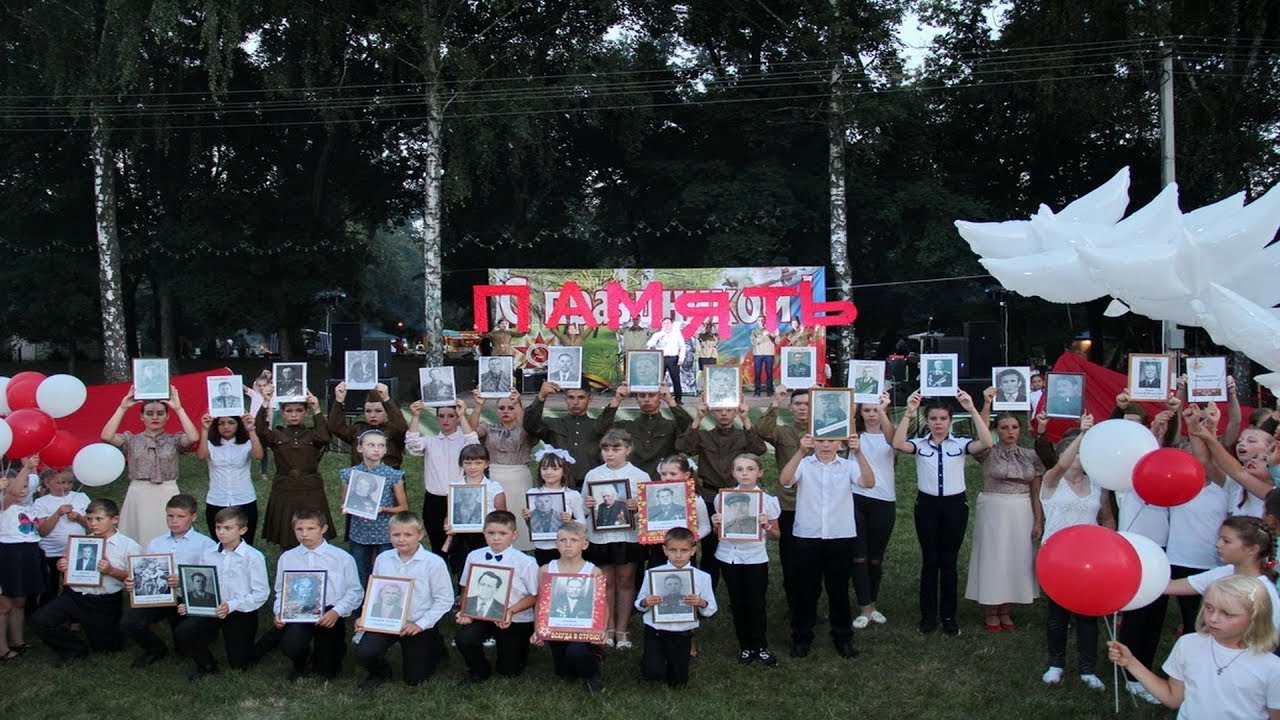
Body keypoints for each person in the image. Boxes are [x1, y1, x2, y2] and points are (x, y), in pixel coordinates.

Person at [892, 389, 993, 636]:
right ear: (927, 421)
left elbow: (987, 443)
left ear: (950, 421)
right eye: (934, 419)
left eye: (943, 419)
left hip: (954, 506)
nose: (938, 423)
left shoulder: (959, 444)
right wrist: (908, 413)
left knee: (948, 562)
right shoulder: (919, 444)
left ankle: (949, 616)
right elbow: (897, 443)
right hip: (927, 506)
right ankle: (927, 617)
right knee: (930, 562)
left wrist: (971, 409)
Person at [1108, 574, 1280, 718]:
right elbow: (1173, 698)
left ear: (1256, 618)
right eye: (1209, 608)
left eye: (1227, 614)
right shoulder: (1188, 644)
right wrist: (1130, 662)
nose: (1212, 618)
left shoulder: (1271, 667)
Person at [780, 431, 876, 659]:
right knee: (805, 590)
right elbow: (785, 481)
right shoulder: (804, 464)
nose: (825, 445)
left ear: (839, 443)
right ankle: (802, 637)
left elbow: (869, 483)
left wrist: (859, 452)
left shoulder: (847, 465)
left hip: (840, 535)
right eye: (820, 440)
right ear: (812, 441)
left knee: (839, 590)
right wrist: (800, 451)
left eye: (831, 441)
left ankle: (842, 637)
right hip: (808, 535)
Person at [1037, 414, 1114, 690]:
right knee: (1058, 616)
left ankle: (1088, 669)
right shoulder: (1051, 481)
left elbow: (1106, 518)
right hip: (1057, 559)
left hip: (1089, 560)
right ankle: (1056, 664)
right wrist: (1082, 435)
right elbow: (1060, 465)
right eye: (1079, 453)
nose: (1082, 459)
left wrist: (1110, 547)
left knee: (1087, 616)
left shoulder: (1097, 485)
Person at [965, 388, 1045, 632]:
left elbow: (1036, 491)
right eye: (1004, 427)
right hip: (994, 509)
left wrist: (1038, 520)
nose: (1010, 432)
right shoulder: (987, 451)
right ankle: (990, 608)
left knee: (1016, 558)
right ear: (996, 430)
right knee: (993, 557)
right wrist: (987, 403)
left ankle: (1006, 609)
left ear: (1020, 430)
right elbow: (980, 430)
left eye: (1014, 427)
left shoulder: (1030, 456)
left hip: (1021, 510)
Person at [31, 499, 142, 664]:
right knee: (40, 620)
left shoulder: (128, 546)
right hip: (74, 595)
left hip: (104, 601)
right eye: (89, 519)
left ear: (114, 519)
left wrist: (111, 571)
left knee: (107, 649)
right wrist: (64, 566)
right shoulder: (80, 542)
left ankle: (105, 633)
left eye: (99, 519)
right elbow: (70, 572)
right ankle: (74, 649)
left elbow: (137, 579)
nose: (92, 524)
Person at [353, 511, 452, 690]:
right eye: (396, 534)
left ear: (420, 535)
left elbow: (445, 600)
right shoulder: (383, 559)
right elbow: (375, 591)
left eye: (408, 534)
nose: (401, 539)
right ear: (389, 534)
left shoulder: (433, 563)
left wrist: (421, 624)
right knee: (364, 652)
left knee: (416, 679)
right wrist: (366, 617)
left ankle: (435, 644)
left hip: (416, 623)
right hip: (386, 620)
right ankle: (381, 672)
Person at [675, 398, 766, 588]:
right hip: (710, 495)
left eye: (729, 410)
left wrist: (746, 419)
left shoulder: (742, 435)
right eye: (718, 410)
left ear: (735, 412)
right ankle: (709, 589)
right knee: (709, 547)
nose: (724, 414)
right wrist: (698, 418)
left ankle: (739, 580)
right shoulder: (704, 436)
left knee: (738, 540)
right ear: (712, 412)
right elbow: (683, 447)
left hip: (736, 495)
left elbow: (759, 449)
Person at [264, 508, 363, 682]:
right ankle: (301, 661)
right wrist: (279, 611)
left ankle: (334, 650)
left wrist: (336, 612)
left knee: (327, 671)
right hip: (299, 608)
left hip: (330, 611)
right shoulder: (287, 558)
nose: (304, 534)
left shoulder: (342, 558)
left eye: (311, 529)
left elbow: (355, 591)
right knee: (290, 646)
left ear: (323, 529)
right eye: (299, 529)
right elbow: (281, 590)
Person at [120, 493, 218, 668]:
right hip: (159, 597)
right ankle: (155, 648)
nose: (174, 521)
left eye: (180, 516)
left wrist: (183, 581)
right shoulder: (156, 543)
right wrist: (134, 583)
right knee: (129, 622)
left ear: (193, 517)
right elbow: (144, 571)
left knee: (183, 645)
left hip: (186, 599)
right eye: (170, 516)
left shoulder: (206, 545)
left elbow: (210, 580)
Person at [172, 506, 269, 681]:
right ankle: (207, 664)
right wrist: (190, 603)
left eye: (228, 528)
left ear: (243, 530)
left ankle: (261, 645)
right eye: (218, 528)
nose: (221, 533)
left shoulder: (253, 557)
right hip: (212, 608)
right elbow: (200, 581)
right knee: (183, 632)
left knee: (240, 664)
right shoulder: (208, 553)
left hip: (240, 610)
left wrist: (231, 606)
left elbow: (261, 593)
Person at [101, 385, 200, 547]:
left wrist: (178, 408)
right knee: (137, 537)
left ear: (167, 416)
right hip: (139, 493)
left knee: (167, 533)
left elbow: (193, 437)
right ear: (142, 417)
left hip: (167, 492)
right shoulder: (131, 440)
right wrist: (122, 407)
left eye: (160, 413)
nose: (155, 417)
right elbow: (106, 436)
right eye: (149, 413)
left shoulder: (174, 440)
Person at [455, 511, 540, 685]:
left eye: (503, 533)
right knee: (464, 639)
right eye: (491, 533)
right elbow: (466, 587)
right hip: (482, 614)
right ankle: (479, 669)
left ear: (514, 535)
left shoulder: (526, 562)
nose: (496, 538)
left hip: (515, 618)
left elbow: (535, 596)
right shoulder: (474, 556)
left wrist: (510, 611)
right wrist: (465, 610)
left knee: (509, 671)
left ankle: (518, 650)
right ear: (483, 533)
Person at [712, 454, 781, 666]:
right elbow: (719, 534)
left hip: (754, 557)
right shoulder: (722, 498)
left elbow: (776, 535)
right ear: (733, 473)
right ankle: (745, 647)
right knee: (737, 602)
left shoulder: (768, 502)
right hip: (729, 556)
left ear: (760, 472)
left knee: (756, 603)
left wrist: (765, 525)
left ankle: (760, 645)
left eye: (750, 469)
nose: (745, 473)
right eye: (740, 469)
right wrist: (717, 524)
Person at [582, 429, 648, 649]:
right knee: (606, 583)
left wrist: (637, 507)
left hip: (627, 536)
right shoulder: (593, 475)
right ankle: (607, 628)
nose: (610, 454)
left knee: (626, 581)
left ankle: (623, 629)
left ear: (628, 450)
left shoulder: (640, 476)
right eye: (606, 449)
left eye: (616, 449)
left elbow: (648, 513)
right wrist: (588, 505)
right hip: (600, 537)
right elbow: (583, 507)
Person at [635, 527, 717, 687]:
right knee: (653, 673)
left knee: (678, 681)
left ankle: (670, 662)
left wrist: (701, 603)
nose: (678, 555)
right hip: (656, 630)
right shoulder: (652, 574)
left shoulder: (702, 577)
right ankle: (650, 661)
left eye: (684, 550)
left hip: (683, 632)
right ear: (665, 550)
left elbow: (711, 608)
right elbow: (638, 603)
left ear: (693, 551)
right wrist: (646, 602)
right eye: (673, 550)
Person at [255, 388, 334, 549]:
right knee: (287, 529)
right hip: (285, 487)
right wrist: (265, 402)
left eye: (299, 410)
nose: (294, 414)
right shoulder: (277, 434)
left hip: (310, 487)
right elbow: (260, 430)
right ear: (282, 414)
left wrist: (317, 408)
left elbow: (325, 437)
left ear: (306, 413)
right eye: (289, 411)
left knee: (314, 527)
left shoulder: (312, 434)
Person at [534, 522, 606, 692]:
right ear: (555, 544)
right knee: (564, 672)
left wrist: (601, 630)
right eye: (563, 540)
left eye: (574, 540)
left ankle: (593, 673)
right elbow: (541, 602)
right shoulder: (546, 569)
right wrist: (537, 629)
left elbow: (602, 605)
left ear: (585, 544)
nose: (568, 544)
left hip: (584, 630)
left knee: (576, 651)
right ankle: (581, 659)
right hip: (556, 629)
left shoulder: (593, 572)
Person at [754, 388, 807, 620]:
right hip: (789, 504)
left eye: (807, 403)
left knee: (814, 557)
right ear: (791, 407)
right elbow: (762, 429)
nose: (803, 408)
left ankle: (810, 600)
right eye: (797, 404)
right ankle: (793, 601)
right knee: (790, 556)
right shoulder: (784, 432)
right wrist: (776, 401)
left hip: (817, 504)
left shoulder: (825, 431)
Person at [406, 399, 478, 555]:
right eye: (442, 416)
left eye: (451, 416)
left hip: (459, 497)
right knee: (437, 539)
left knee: (461, 541)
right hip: (434, 499)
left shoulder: (463, 441)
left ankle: (459, 570)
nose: (446, 420)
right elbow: (412, 443)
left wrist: (462, 415)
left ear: (457, 418)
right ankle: (441, 567)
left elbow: (474, 444)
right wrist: (416, 416)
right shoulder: (430, 441)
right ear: (436, 418)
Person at [850, 393, 898, 629]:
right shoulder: (854, 435)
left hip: (884, 500)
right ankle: (864, 607)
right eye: (866, 410)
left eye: (874, 410)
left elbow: (893, 439)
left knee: (875, 558)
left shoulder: (891, 435)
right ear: (859, 413)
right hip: (856, 498)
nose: (870, 414)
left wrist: (883, 409)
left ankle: (874, 603)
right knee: (859, 557)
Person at [341, 430, 409, 588]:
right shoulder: (350, 474)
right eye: (371, 445)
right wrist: (348, 507)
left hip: (384, 531)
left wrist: (382, 509)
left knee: (386, 568)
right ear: (360, 448)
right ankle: (360, 602)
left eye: (381, 446)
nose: (376, 449)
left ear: (385, 450)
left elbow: (403, 507)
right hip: (359, 531)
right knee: (359, 569)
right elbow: (345, 503)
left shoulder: (393, 475)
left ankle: (381, 601)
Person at [470, 389, 535, 551]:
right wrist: (478, 406)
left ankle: (522, 549)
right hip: (495, 477)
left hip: (519, 478)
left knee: (520, 516)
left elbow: (527, 431)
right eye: (501, 408)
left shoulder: (525, 429)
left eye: (510, 407)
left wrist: (518, 404)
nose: (506, 411)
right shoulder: (489, 428)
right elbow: (471, 432)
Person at [597, 382, 693, 478]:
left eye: (652, 395)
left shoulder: (671, 426)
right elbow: (601, 429)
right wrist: (617, 400)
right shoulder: (626, 426)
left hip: (662, 482)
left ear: (659, 397)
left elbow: (690, 429)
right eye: (642, 396)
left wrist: (670, 400)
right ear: (637, 399)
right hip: (633, 481)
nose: (646, 400)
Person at [196, 413, 264, 545]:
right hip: (217, 500)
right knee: (219, 542)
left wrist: (251, 430)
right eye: (221, 423)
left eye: (231, 423)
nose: (226, 427)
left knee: (246, 541)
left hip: (244, 498)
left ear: (238, 425)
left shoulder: (246, 444)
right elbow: (201, 456)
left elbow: (258, 456)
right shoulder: (210, 444)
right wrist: (204, 430)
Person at [31, 468, 91, 611]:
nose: (66, 486)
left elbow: (91, 525)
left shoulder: (81, 496)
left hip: (77, 550)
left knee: (75, 587)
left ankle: (74, 619)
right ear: (47, 482)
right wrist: (57, 514)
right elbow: (42, 531)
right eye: (60, 482)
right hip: (51, 552)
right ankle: (45, 615)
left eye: (70, 482)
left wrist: (79, 518)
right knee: (50, 587)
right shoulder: (41, 502)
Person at [444, 444, 508, 578]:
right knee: (464, 569)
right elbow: (450, 513)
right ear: (462, 464)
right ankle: (462, 595)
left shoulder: (494, 487)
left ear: (486, 464)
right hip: (461, 537)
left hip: (486, 536)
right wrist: (448, 524)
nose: (473, 467)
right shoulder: (455, 487)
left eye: (478, 463)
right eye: (468, 463)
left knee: (486, 570)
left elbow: (503, 516)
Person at [524, 382, 605, 487]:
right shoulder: (553, 423)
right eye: (571, 397)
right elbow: (530, 426)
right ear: (565, 399)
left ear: (589, 399)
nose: (575, 402)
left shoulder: (597, 425)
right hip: (560, 487)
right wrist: (541, 396)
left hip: (592, 487)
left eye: (581, 397)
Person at [0, 472, 44, 659]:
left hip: (29, 553)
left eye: (25, 487)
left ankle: (18, 641)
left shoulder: (30, 507)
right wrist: (26, 466)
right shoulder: (4, 505)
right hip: (8, 554)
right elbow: (11, 493)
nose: (22, 490)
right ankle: (2, 648)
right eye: (17, 487)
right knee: (4, 604)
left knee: (20, 600)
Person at [523, 447, 584, 565]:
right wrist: (527, 517)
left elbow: (582, 522)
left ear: (564, 471)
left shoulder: (572, 495)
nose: (549, 472)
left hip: (567, 546)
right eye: (544, 468)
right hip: (542, 547)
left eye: (555, 469)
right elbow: (532, 526)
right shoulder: (533, 493)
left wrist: (570, 521)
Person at [329, 382, 408, 469]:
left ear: (387, 412)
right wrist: (339, 401)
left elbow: (402, 427)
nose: (372, 415)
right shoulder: (358, 429)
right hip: (361, 477)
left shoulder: (393, 430)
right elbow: (336, 427)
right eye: (368, 411)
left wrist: (386, 400)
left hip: (388, 477)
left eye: (378, 411)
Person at [647, 318, 687, 404]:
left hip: (673, 358)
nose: (666, 325)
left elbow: (682, 346)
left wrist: (681, 358)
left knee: (676, 379)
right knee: (658, 379)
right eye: (664, 323)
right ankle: (655, 398)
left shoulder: (676, 334)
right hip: (661, 358)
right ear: (662, 325)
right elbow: (649, 344)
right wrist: (656, 340)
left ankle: (678, 398)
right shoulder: (658, 334)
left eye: (668, 323)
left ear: (672, 324)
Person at [750, 319, 777, 397]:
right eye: (759, 320)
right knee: (757, 373)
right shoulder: (754, 331)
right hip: (758, 354)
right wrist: (763, 336)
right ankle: (757, 391)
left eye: (762, 320)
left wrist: (776, 335)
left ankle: (770, 391)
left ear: (765, 321)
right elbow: (754, 342)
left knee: (769, 373)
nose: (761, 322)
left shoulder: (772, 330)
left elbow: (777, 341)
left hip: (769, 353)